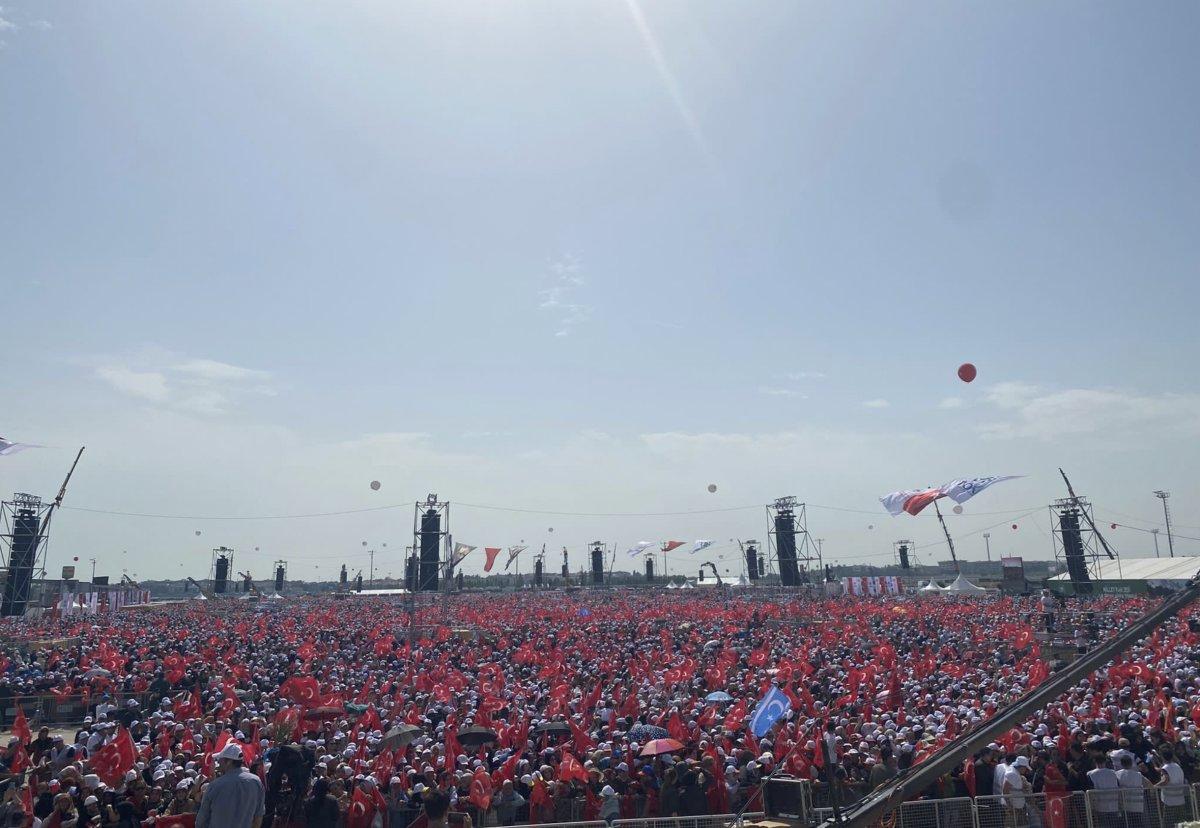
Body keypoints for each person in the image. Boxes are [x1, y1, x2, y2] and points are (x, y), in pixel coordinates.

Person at [196, 743, 266, 828]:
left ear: (229, 762)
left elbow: (201, 821)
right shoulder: (256, 782)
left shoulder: (215, 785)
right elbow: (258, 816)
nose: (219, 763)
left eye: (221, 760)